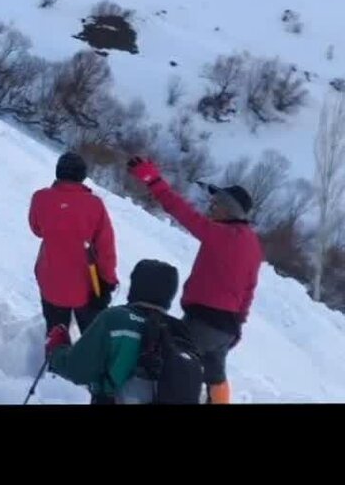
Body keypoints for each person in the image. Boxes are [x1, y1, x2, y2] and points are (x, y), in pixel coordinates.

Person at [125, 156, 263, 404]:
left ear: (230, 209)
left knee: (176, 368)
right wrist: (237, 326)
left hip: (204, 322)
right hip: (226, 326)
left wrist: (152, 180)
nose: (211, 207)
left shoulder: (221, 234)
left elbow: (181, 211)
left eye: (216, 203)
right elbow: (249, 289)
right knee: (215, 376)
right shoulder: (252, 243)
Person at [44, 258, 204, 404]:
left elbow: (77, 369)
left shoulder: (116, 319)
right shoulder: (180, 332)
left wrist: (57, 348)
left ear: (136, 286)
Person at [29, 150, 118, 339]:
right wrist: (108, 282)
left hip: (50, 281)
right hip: (86, 286)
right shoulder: (94, 205)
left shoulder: (40, 198)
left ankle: (55, 364)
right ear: (82, 176)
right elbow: (106, 249)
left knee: (56, 336)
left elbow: (37, 230)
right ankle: (87, 366)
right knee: (92, 340)